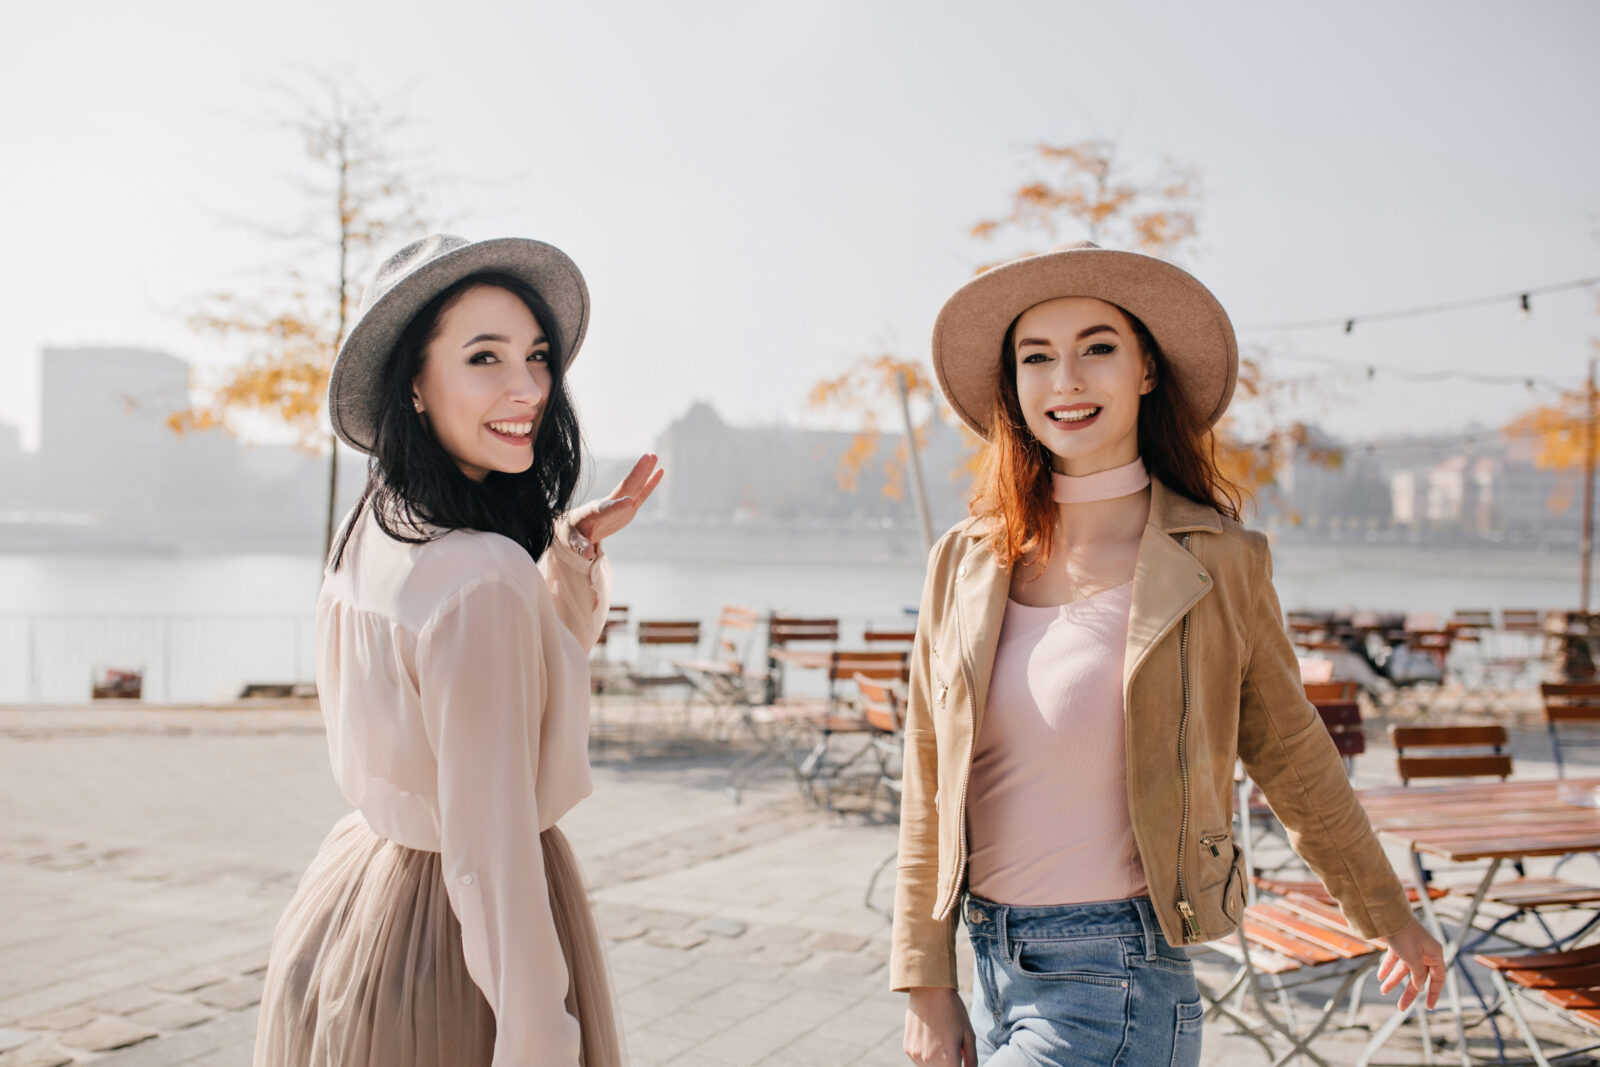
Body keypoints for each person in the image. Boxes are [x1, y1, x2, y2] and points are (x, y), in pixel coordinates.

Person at [893, 241, 1445, 1066]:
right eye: (1036, 357)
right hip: (991, 971)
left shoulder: (1219, 560)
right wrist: (926, 985)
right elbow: (928, 772)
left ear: (1147, 369)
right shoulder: (965, 560)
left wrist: (1387, 911)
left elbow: (1293, 754)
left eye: (1098, 348)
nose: (1066, 379)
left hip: (1116, 980)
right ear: (1013, 384)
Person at [254, 234, 660, 1067]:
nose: (528, 388)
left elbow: (498, 682)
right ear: (413, 379)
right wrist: (540, 1040)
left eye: (538, 356)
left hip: (359, 901)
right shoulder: (482, 577)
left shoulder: (369, 523)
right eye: (484, 356)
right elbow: (492, 853)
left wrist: (568, 553)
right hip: (459, 948)